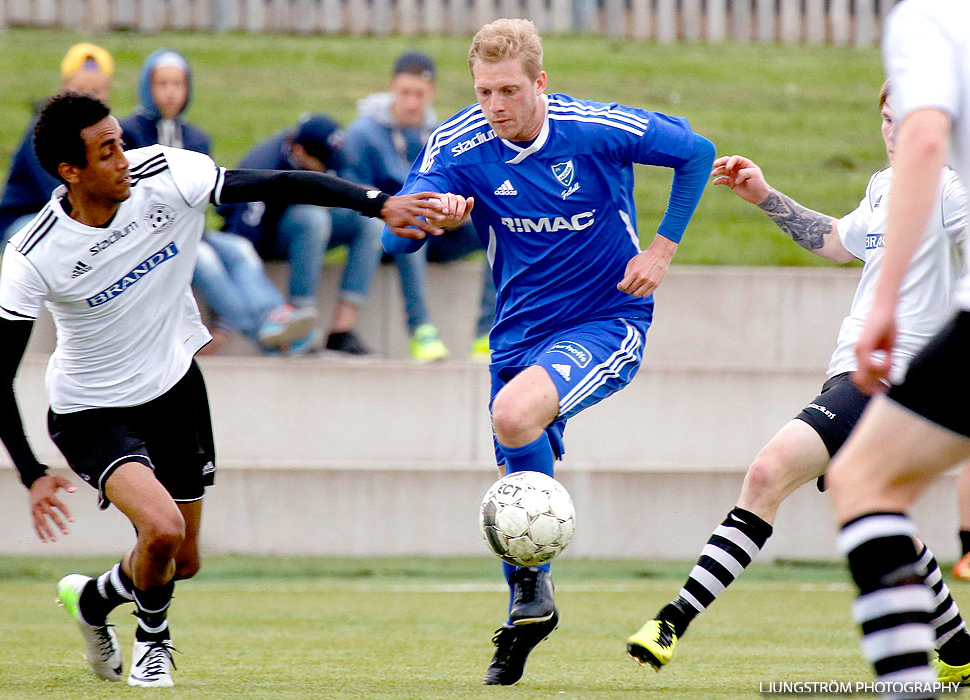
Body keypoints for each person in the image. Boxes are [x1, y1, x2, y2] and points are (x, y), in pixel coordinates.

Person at [0, 91, 446, 688]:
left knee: (183, 560)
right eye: (106, 151)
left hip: (175, 389)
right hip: (91, 410)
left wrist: (379, 204)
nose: (124, 157)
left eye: (120, 141)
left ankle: (95, 602)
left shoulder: (167, 174)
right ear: (71, 172)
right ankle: (154, 643)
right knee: (163, 531)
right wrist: (30, 470)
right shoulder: (34, 251)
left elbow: (279, 182)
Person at [383, 19, 714, 685]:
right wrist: (432, 219)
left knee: (513, 418)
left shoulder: (592, 127)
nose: (496, 106)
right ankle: (527, 611)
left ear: (540, 83)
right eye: (483, 92)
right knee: (519, 484)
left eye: (509, 90)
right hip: (518, 336)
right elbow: (399, 239)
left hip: (606, 318)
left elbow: (696, 151)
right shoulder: (456, 144)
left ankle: (529, 589)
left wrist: (661, 249)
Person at [625, 80, 970, 686]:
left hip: (892, 379)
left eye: (907, 120)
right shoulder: (887, 186)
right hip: (856, 372)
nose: (893, 133)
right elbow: (838, 242)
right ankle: (958, 648)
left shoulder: (951, 189)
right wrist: (765, 197)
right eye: (886, 120)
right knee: (874, 505)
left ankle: (672, 620)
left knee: (768, 471)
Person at [823, 1, 970, 697]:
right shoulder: (870, 194)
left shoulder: (930, 18)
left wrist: (882, 306)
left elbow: (924, 140)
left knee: (862, 481)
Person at [119, 48, 313, 354]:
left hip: (191, 228)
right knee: (206, 261)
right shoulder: (128, 132)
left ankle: (274, 314)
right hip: (151, 236)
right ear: (148, 87)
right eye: (162, 84)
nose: (171, 92)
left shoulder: (197, 138)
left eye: (178, 84)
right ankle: (262, 330)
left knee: (240, 250)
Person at [345, 51, 496, 362]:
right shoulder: (363, 134)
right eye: (404, 93)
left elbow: (464, 185)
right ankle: (421, 331)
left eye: (419, 94)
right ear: (391, 89)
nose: (412, 102)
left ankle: (488, 334)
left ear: (432, 93)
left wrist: (460, 213)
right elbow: (352, 192)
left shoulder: (443, 135)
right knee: (414, 223)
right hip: (388, 236)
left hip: (443, 229)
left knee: (497, 227)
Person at [219, 114, 384, 356]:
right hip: (265, 236)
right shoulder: (265, 163)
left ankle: (342, 331)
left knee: (370, 224)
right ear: (301, 153)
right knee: (311, 218)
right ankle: (298, 325)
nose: (331, 168)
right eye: (325, 162)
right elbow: (240, 238)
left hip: (310, 229)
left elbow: (346, 181)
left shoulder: (326, 153)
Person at [0, 43, 114, 249]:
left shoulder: (108, 135)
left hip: (78, 217)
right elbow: (57, 189)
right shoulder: (44, 130)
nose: (88, 98)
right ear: (63, 89)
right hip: (29, 216)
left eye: (97, 91)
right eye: (81, 90)